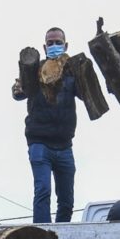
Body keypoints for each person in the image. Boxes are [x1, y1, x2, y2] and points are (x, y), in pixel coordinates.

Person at [12, 28, 79, 224]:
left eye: (58, 42)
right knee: (43, 190)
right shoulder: (35, 70)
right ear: (44, 46)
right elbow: (18, 90)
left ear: (66, 45)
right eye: (50, 43)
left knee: (66, 200)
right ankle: (42, 237)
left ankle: (60, 238)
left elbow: (87, 91)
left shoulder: (72, 72)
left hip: (65, 145)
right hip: (39, 142)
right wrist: (17, 89)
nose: (54, 46)